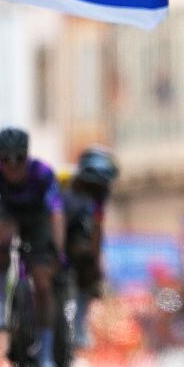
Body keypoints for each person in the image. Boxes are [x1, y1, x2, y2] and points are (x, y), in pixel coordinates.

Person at [0, 127, 64, 367]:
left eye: (19, 159)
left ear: (27, 156)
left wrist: (57, 253)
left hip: (38, 222)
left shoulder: (43, 173)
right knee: (3, 238)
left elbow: (57, 215)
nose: (13, 166)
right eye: (6, 160)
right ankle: (1, 299)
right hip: (9, 217)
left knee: (44, 285)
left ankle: (46, 356)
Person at [61, 145, 119, 348]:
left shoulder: (100, 196)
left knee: (89, 269)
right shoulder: (62, 179)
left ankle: (79, 324)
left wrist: (95, 264)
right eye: (92, 185)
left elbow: (97, 227)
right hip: (51, 229)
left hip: (75, 235)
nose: (97, 191)